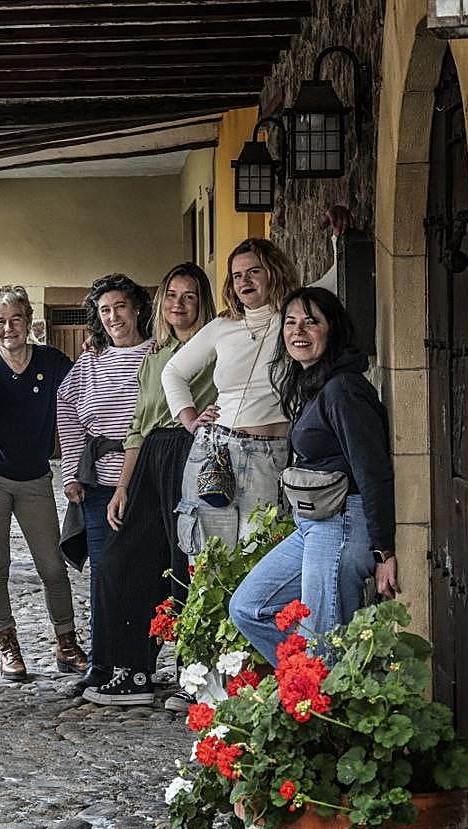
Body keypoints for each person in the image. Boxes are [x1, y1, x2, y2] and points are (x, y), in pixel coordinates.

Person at [229, 288, 399, 663]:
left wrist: (384, 550)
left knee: (326, 647)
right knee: (249, 608)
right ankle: (309, 681)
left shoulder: (344, 390)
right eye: (290, 322)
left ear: (332, 329)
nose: (298, 330)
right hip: (314, 526)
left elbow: (372, 470)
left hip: (343, 525)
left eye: (311, 321)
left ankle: (324, 697)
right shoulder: (316, 385)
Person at [81, 263, 217, 706]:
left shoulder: (217, 344)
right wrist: (122, 487)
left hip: (192, 453)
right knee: (122, 560)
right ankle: (135, 672)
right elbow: (138, 427)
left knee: (187, 565)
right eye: (172, 295)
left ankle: (191, 677)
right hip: (150, 457)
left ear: (203, 302)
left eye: (189, 296)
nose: (179, 304)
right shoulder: (155, 355)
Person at [0, 285, 87, 681]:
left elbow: (85, 389)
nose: (8, 328)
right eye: (0, 321)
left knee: (53, 566)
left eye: (15, 319)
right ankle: (8, 645)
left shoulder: (52, 362)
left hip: (36, 477)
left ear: (29, 321)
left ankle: (66, 643)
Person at [161, 238, 300, 556]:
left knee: (257, 559)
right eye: (237, 276)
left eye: (254, 272)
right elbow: (173, 372)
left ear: (273, 273)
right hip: (214, 450)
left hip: (269, 455)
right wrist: (191, 420)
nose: (244, 282)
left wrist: (338, 239)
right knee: (210, 564)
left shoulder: (292, 318)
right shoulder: (222, 326)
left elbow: (333, 280)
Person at [57, 274, 155, 695]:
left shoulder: (160, 354)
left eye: (120, 306)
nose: (114, 316)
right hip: (100, 484)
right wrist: (72, 474)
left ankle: (141, 665)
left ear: (136, 309)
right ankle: (101, 664)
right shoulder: (90, 362)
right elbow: (66, 410)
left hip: (148, 480)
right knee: (105, 576)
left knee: (149, 575)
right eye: (105, 310)